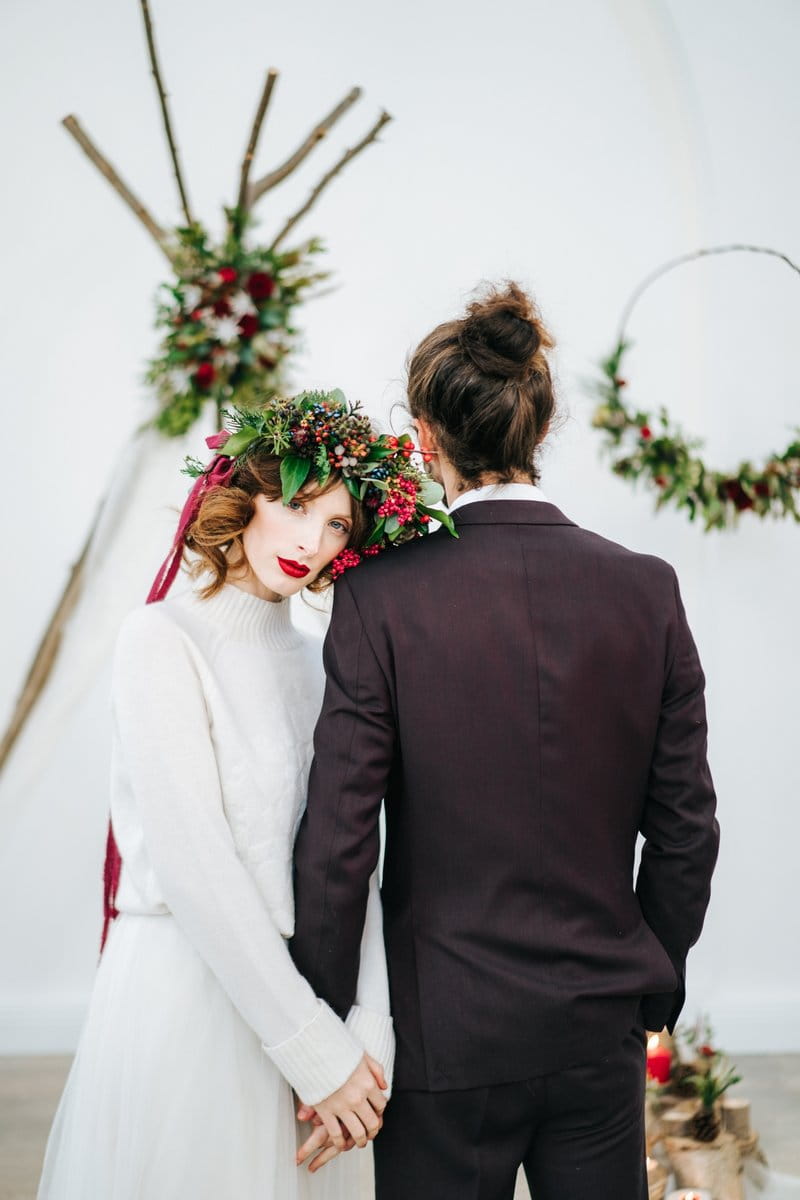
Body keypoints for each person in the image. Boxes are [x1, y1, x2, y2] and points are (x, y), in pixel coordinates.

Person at [290, 286, 720, 1199]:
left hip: (444, 1038)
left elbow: (338, 839)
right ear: (539, 424)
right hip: (597, 1034)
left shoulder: (381, 598)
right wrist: (648, 989)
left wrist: (322, 1026)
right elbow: (686, 829)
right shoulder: (647, 591)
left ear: (424, 436)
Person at [38, 389, 446, 1200]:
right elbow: (198, 869)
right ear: (245, 493)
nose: (310, 541)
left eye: (336, 525)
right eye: (295, 505)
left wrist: (370, 1024)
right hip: (190, 1004)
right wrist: (315, 1053)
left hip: (309, 999)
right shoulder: (161, 641)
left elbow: (351, 850)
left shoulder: (322, 658)